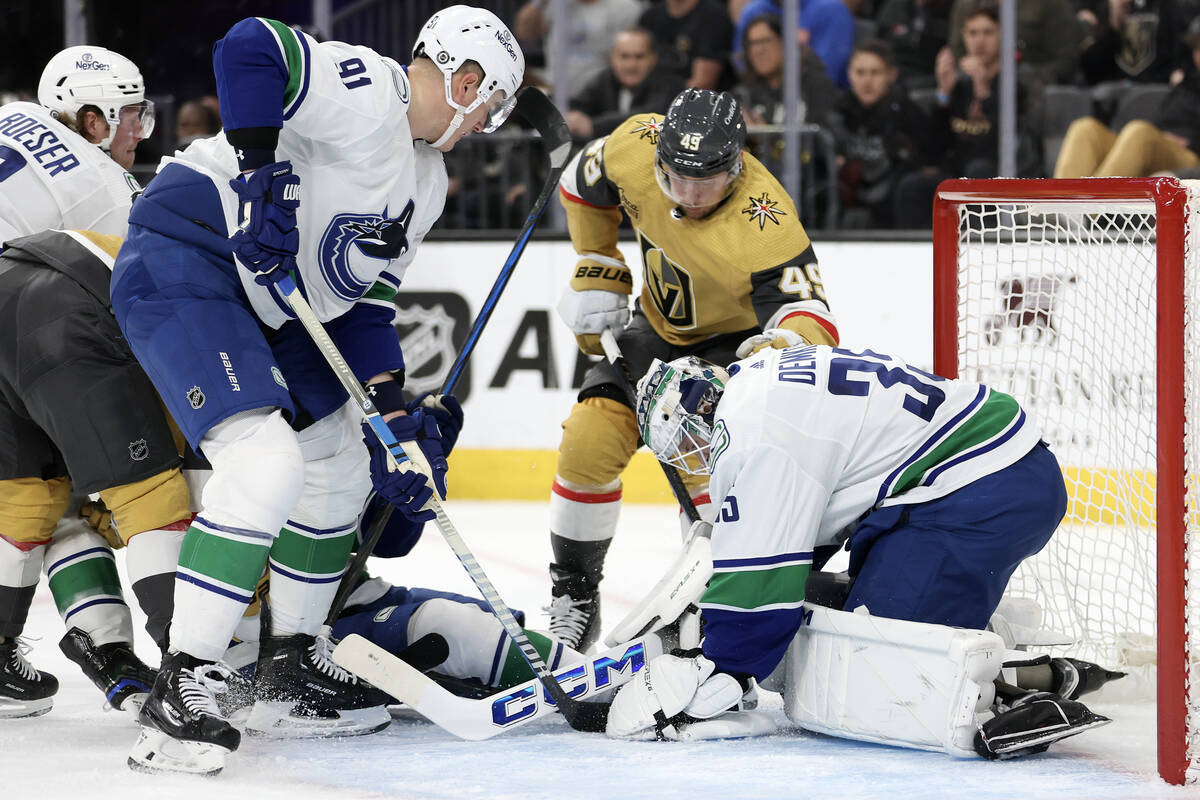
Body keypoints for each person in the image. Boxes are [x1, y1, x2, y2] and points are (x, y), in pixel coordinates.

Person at [110, 7, 524, 775]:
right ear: (468, 83)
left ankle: (288, 666)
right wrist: (261, 170)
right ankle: (183, 680)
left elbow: (365, 310)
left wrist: (395, 423)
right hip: (191, 254)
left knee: (342, 463)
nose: (488, 123)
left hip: (276, 303)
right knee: (265, 463)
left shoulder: (425, 181)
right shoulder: (374, 93)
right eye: (491, 106)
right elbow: (248, 47)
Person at [605, 345, 1116, 757]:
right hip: (957, 482)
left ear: (695, 418)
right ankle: (981, 638)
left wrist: (727, 666)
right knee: (834, 625)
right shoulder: (760, 376)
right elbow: (801, 540)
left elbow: (763, 581)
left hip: (981, 490)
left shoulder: (752, 434)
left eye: (681, 445)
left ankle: (1013, 684)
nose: (691, 459)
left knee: (882, 682)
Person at [547, 87, 839, 653]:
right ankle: (576, 592)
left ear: (737, 167)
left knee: (716, 498)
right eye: (678, 178)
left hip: (734, 352)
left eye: (707, 180)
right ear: (658, 158)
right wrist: (597, 258)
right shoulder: (634, 144)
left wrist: (771, 352)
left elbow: (812, 317)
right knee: (587, 443)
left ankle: (715, 608)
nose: (690, 196)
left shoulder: (767, 219)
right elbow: (580, 185)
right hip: (654, 334)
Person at [0, 47, 174, 719]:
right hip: (29, 330)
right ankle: (173, 658)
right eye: (132, 115)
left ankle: (102, 649)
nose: (140, 131)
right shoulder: (106, 190)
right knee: (125, 491)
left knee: (39, 497)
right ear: (93, 120)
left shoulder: (12, 116)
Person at [893, 2, 1043, 229]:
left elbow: (1008, 142)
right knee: (911, 186)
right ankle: (921, 254)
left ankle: (986, 249)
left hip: (1003, 175)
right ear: (963, 37)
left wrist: (984, 92)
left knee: (977, 173)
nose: (979, 41)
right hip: (960, 173)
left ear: (1004, 36)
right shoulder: (960, 86)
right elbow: (933, 151)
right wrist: (943, 95)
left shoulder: (1017, 81)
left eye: (988, 33)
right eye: (973, 33)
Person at [0, 45, 152, 242]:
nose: (139, 133)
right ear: (92, 123)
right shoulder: (114, 192)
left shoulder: (13, 111)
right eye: (132, 120)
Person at [1053, 20, 1200, 179]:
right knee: (1085, 129)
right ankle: (1063, 199)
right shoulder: (1188, 81)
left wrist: (1192, 143)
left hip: (1189, 155)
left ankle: (1099, 200)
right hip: (1157, 142)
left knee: (1140, 132)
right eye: (1197, 48)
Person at [826, 40, 932, 228]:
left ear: (891, 75)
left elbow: (925, 163)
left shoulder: (908, 113)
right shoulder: (836, 113)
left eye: (875, 72)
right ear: (849, 74)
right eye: (860, 72)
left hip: (892, 208)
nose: (867, 80)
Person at [566, 28, 684, 140]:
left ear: (653, 58)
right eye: (624, 56)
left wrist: (594, 126)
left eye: (639, 57)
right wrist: (575, 118)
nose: (631, 65)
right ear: (612, 58)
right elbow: (578, 104)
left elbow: (651, 116)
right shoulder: (607, 77)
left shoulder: (669, 82)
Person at [514, 0, 645, 96]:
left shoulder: (625, 7)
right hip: (556, 94)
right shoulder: (556, 5)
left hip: (601, 97)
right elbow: (525, 33)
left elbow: (628, 56)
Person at [733, 13, 837, 127]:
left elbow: (824, 139)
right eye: (752, 44)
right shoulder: (743, 95)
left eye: (765, 41)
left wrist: (765, 137)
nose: (758, 50)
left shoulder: (815, 87)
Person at [638, 0, 735, 90]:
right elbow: (636, 70)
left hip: (695, 103)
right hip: (650, 100)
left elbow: (702, 85)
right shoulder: (650, 17)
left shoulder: (714, 16)